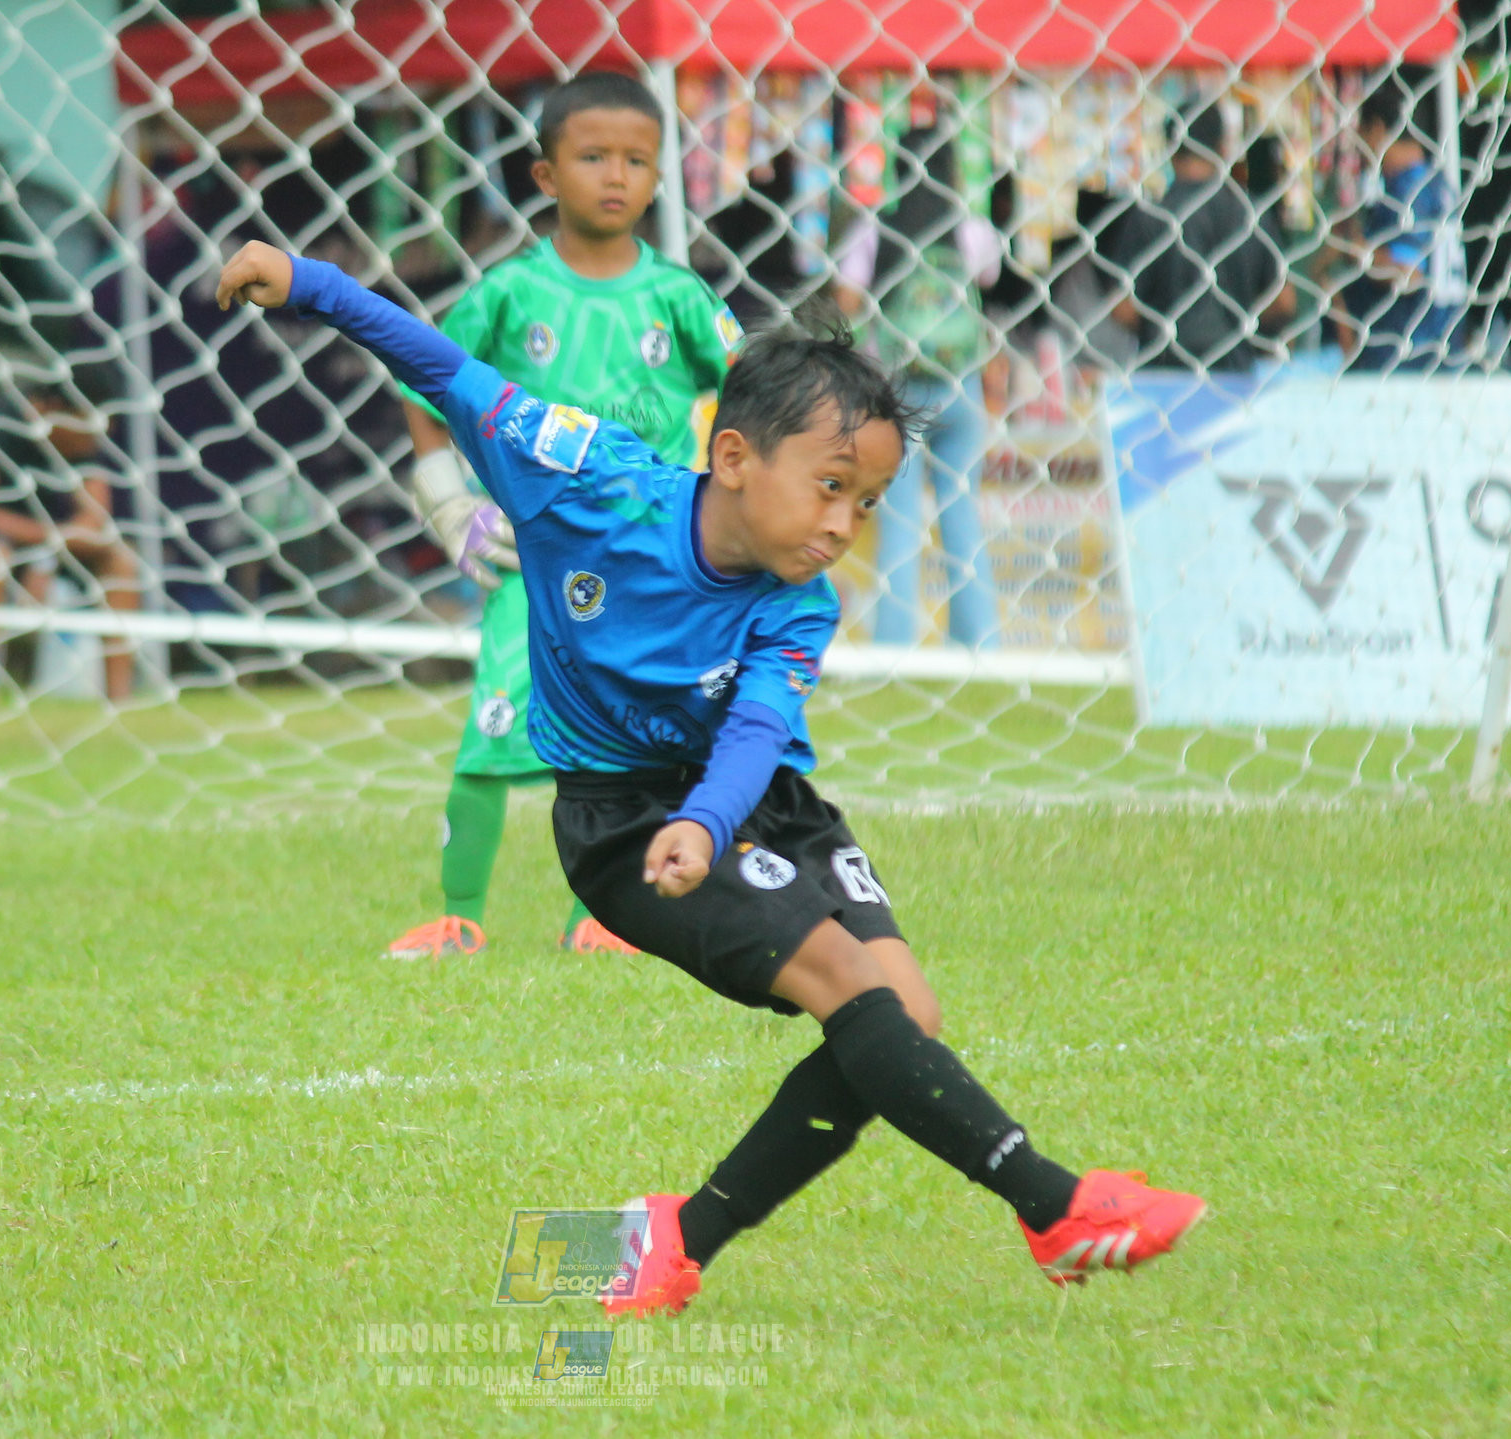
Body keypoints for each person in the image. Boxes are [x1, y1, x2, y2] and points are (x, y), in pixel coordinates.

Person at [214, 238, 1208, 1308]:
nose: (841, 524)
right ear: (732, 457)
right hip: (621, 821)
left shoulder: (798, 600)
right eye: (829, 487)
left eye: (864, 502)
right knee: (851, 987)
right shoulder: (582, 478)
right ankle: (1053, 1204)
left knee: (901, 1015)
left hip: (748, 804)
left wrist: (711, 816)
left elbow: (754, 732)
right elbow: (443, 367)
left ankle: (677, 1237)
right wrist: (306, 281)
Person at [384, 71, 742, 962]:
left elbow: (751, 392)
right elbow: (419, 378)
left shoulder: (680, 298)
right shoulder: (510, 294)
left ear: (662, 177)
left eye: (637, 160)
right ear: (546, 176)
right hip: (533, 557)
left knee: (646, 739)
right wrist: (446, 496)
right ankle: (459, 912)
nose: (615, 176)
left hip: (649, 564)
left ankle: (619, 911)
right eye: (592, 157)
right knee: (491, 729)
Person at [835, 126, 1000, 649]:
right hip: (960, 382)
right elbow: (990, 280)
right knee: (961, 508)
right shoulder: (970, 228)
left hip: (896, 386)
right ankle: (980, 642)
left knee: (901, 518)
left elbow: (845, 299)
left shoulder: (875, 228)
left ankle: (895, 641)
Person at [0, 381, 141, 702]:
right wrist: (50, 543)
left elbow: (96, 523)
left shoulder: (84, 445)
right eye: (87, 431)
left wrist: (46, 557)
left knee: (121, 560)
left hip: (50, 548)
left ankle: (120, 699)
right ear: (53, 410)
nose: (93, 441)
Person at [1114, 103, 1288, 373]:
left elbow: (1123, 309)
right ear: (1222, 147)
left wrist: (1157, 326)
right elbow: (1284, 302)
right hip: (1234, 372)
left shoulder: (1152, 218)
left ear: (1171, 151)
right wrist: (1240, 323)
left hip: (1165, 373)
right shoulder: (1251, 215)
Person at [1337, 79, 1467, 373]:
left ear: (1379, 130)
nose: (1359, 146)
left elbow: (1407, 274)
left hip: (1407, 359)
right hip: (1443, 349)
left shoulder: (1408, 189)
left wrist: (1356, 249)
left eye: (1361, 134)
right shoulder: (1437, 181)